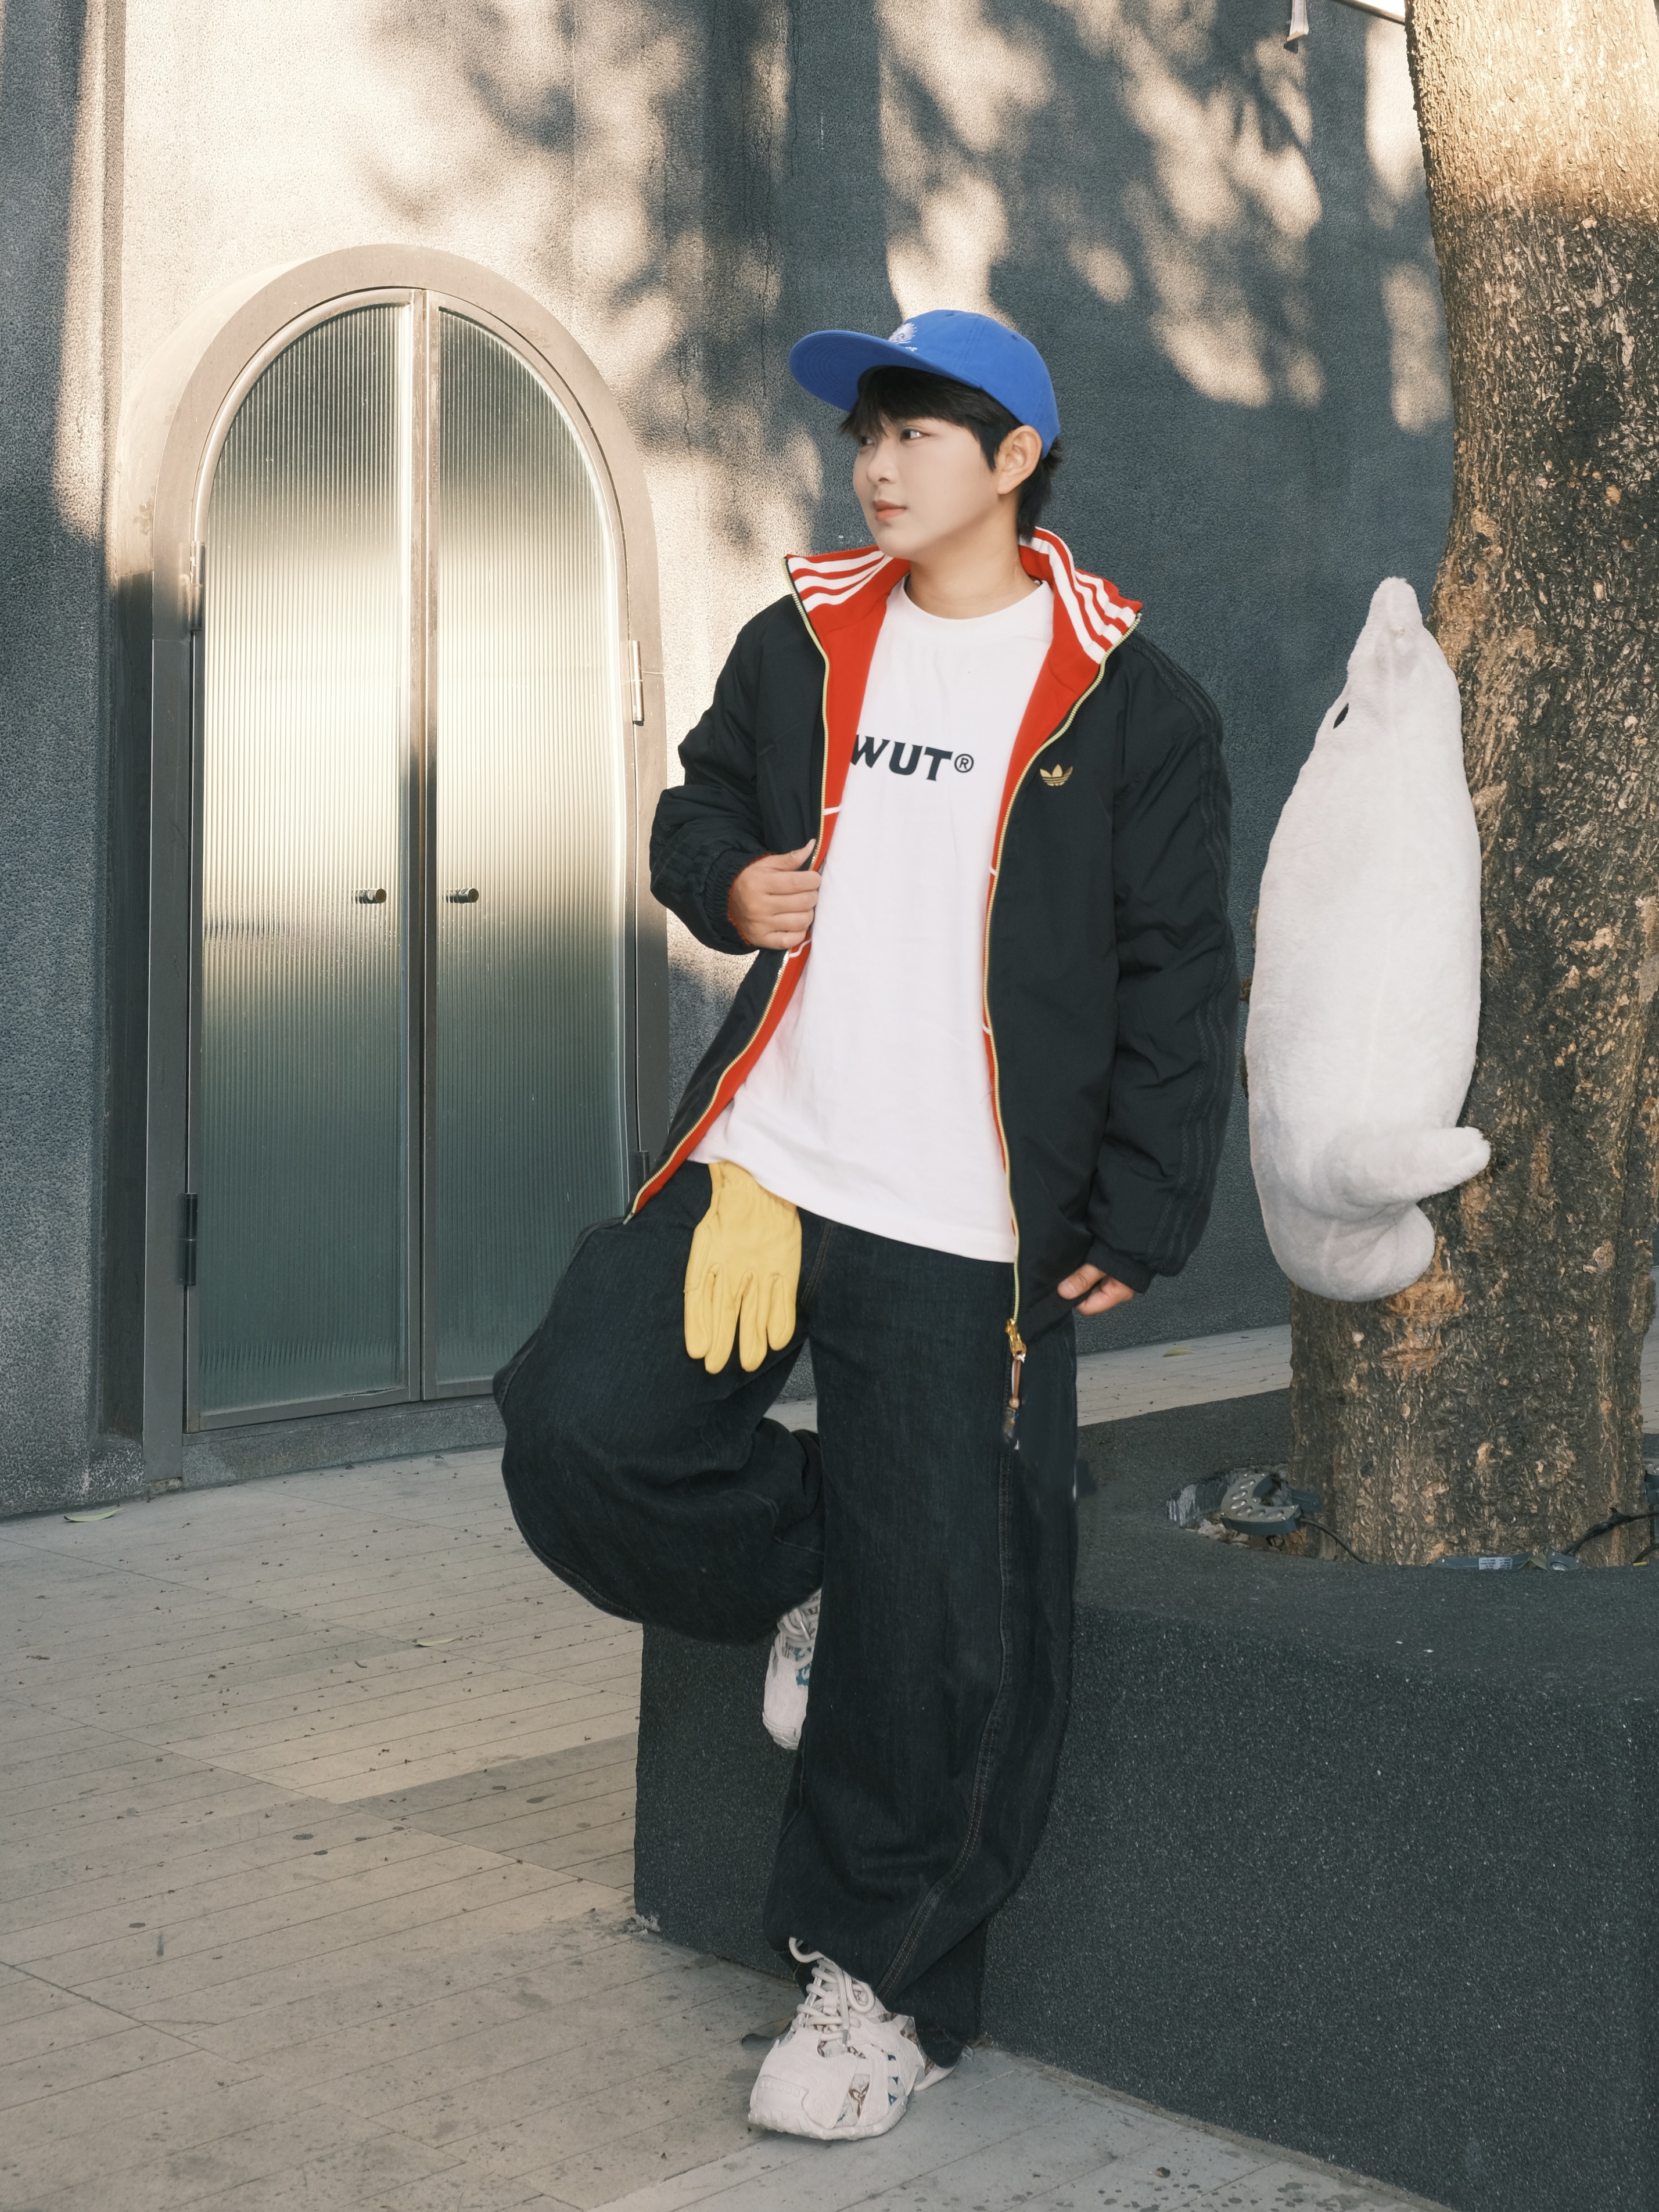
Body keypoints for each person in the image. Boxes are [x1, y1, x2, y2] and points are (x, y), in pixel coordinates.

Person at [497, 308, 1236, 2144]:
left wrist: (1147, 1204)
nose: (877, 463)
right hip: (770, 1162)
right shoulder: (807, 638)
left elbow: (1176, 974)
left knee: (951, 1630)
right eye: (865, 433)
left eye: (917, 432)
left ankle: (879, 1987)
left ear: (1018, 459)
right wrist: (729, 881)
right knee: (578, 1425)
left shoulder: (1129, 702)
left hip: (963, 1217)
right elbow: (699, 810)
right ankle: (829, 1556)